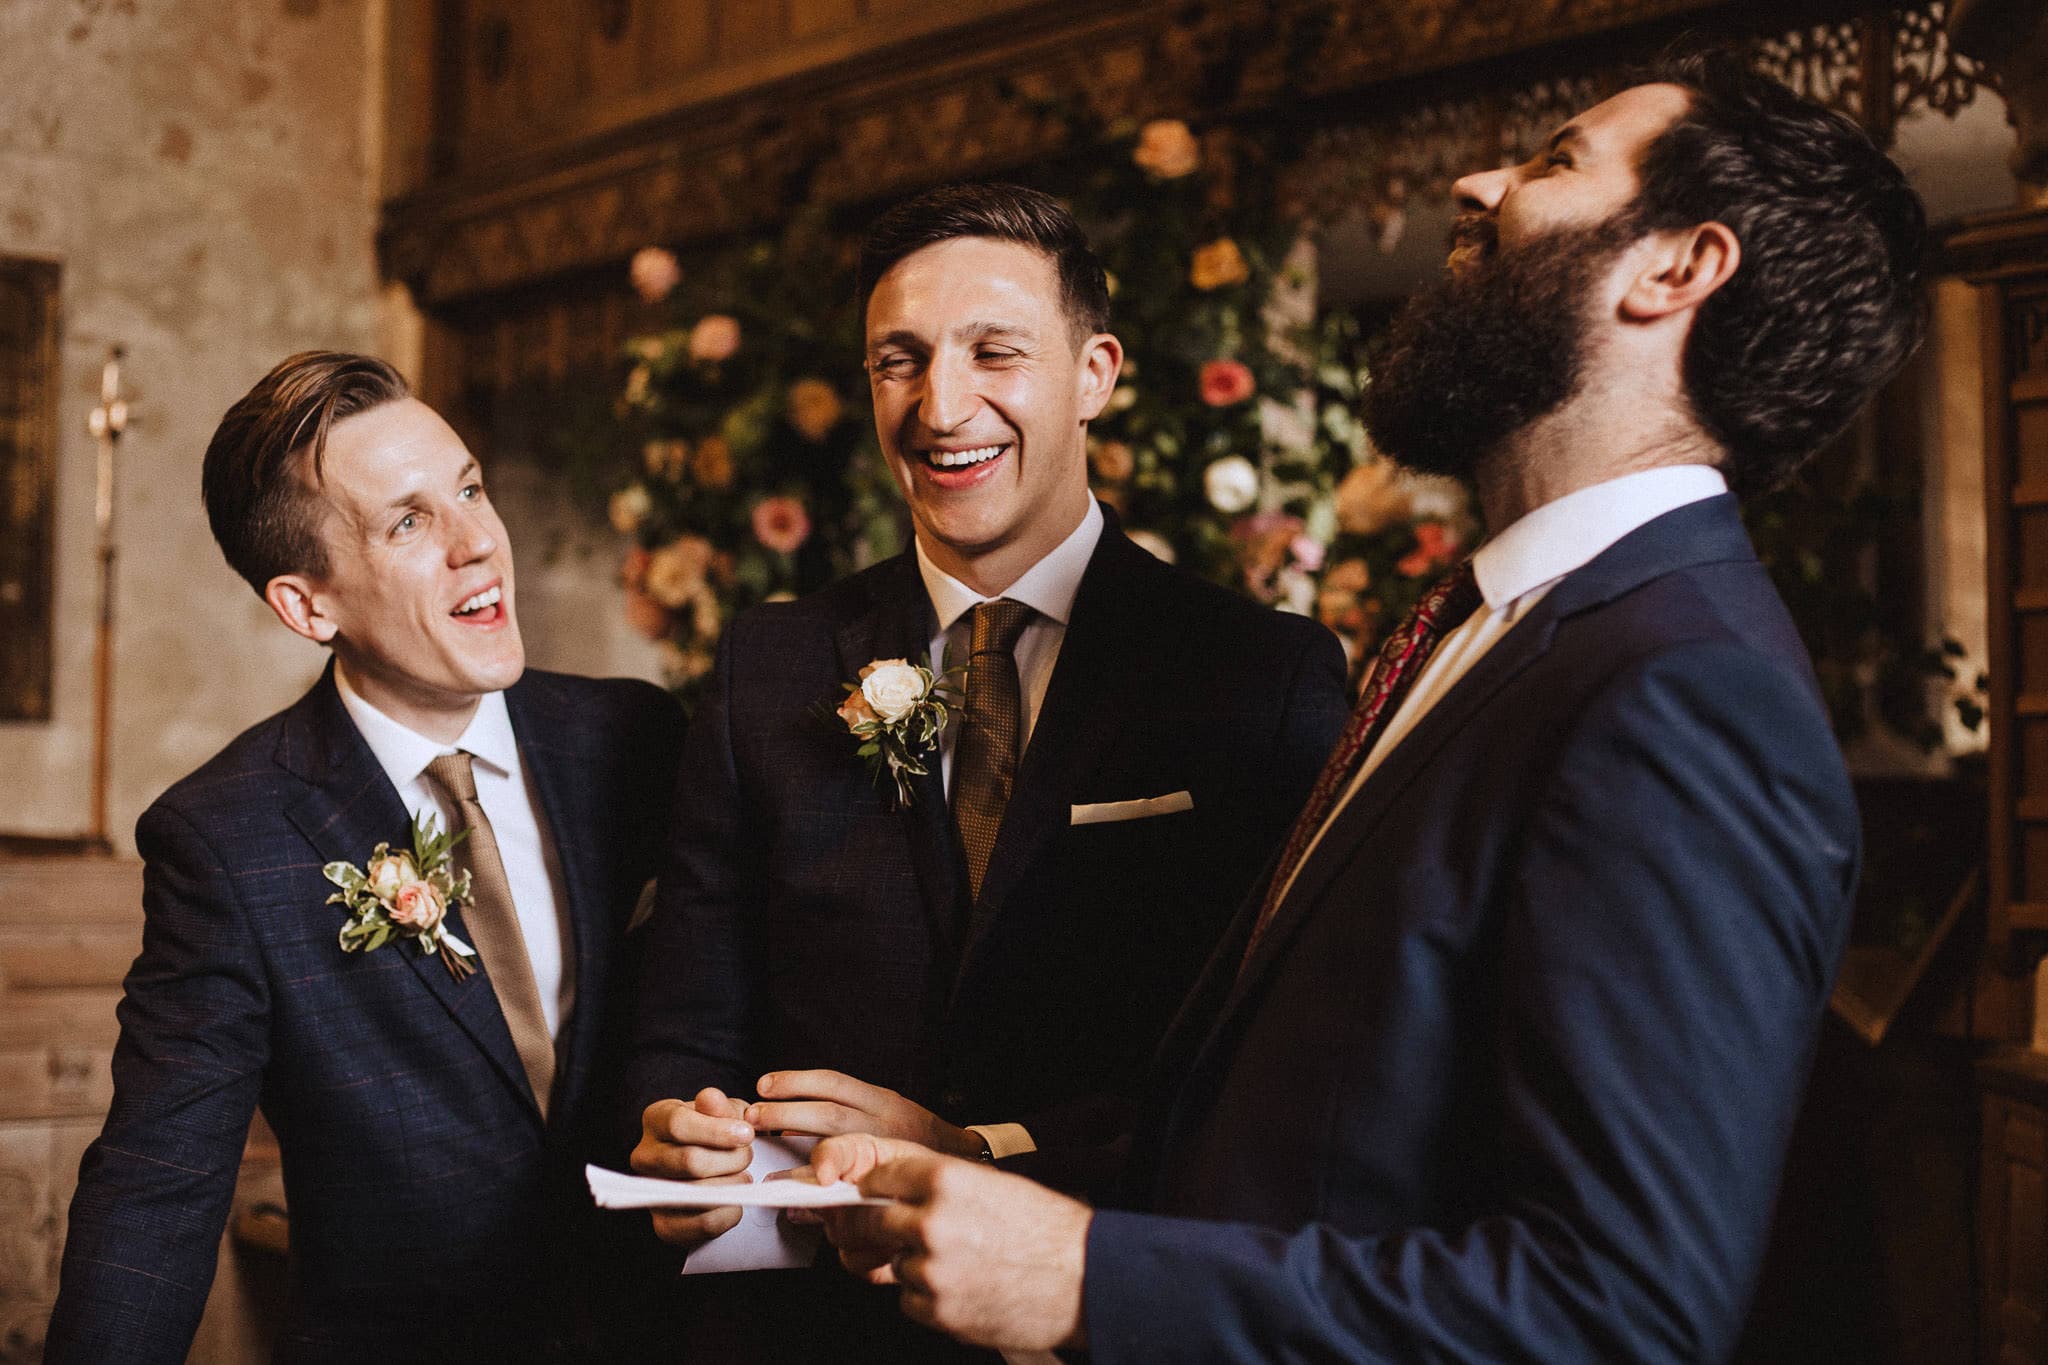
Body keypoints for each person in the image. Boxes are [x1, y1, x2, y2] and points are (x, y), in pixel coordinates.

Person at [811, 49, 1926, 1362]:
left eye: (1555, 161)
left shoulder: (1685, 690)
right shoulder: (1483, 630)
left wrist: (1087, 1280)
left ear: (1675, 269)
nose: (1478, 181)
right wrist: (990, 1158)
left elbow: (1618, 1315)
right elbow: (1319, 1118)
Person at [624, 183, 1348, 1357]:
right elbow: (683, 1024)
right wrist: (677, 1129)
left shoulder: (1255, 678)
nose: (938, 406)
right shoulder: (771, 664)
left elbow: (1275, 1081)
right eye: (896, 362)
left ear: (1096, 374)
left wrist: (978, 1150)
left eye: (992, 353)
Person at [44, 352, 686, 1363]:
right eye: (409, 523)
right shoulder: (229, 838)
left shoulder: (637, 739)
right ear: (309, 607)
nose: (478, 543)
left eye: (469, 489)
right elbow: (156, 1181)